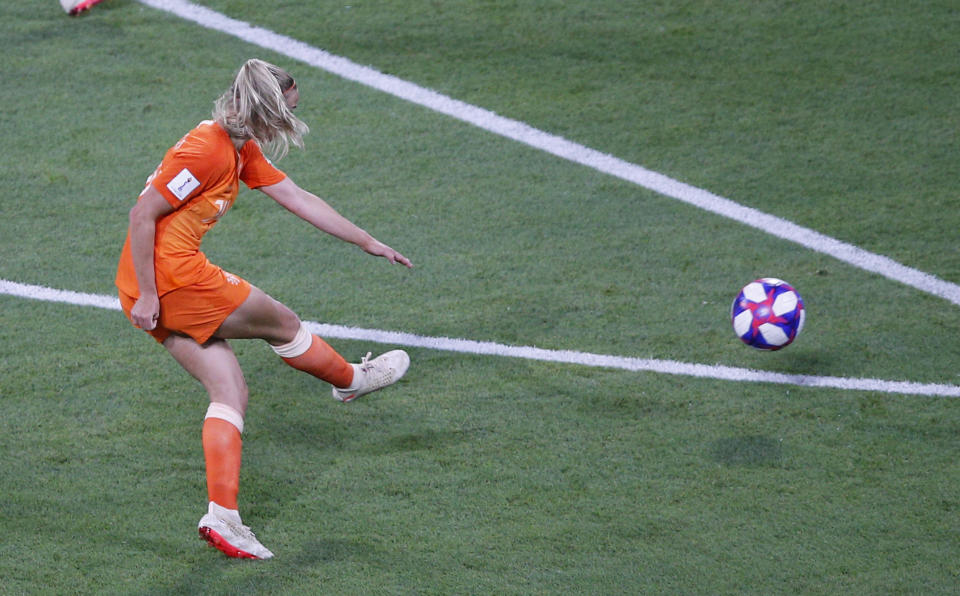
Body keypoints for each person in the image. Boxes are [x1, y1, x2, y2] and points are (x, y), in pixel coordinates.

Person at [115, 58, 413, 560]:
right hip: (171, 280)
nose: (289, 120)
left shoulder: (237, 145)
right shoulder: (207, 152)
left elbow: (296, 196)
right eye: (288, 110)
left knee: (229, 389)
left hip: (144, 282)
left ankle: (223, 518)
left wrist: (367, 241)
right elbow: (142, 214)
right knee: (285, 323)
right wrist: (150, 294)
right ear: (267, 109)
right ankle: (351, 383)